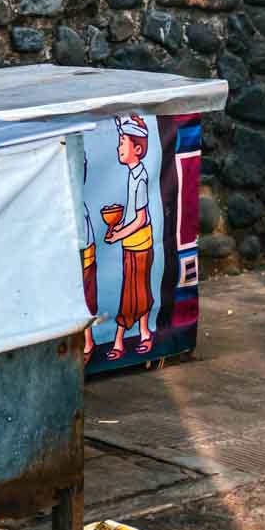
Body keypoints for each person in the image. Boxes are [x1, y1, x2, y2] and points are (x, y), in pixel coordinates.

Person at [103, 115, 157, 360]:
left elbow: (141, 218)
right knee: (132, 289)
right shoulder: (133, 174)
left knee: (137, 291)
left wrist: (118, 235)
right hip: (131, 243)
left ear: (137, 148)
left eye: (122, 142)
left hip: (140, 244)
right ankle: (138, 334)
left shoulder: (141, 177)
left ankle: (132, 336)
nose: (118, 147)